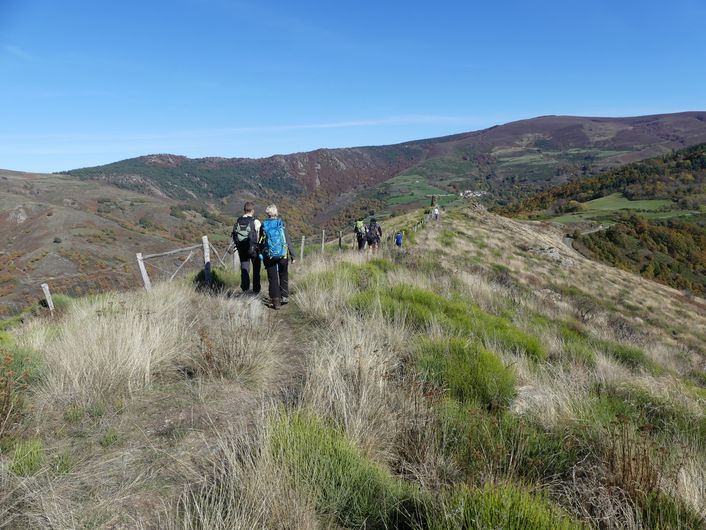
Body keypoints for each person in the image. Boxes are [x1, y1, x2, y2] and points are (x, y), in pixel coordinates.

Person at [258, 204, 295, 309]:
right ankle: (284, 296)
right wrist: (293, 255)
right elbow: (287, 240)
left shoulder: (264, 225)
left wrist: (261, 253)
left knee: (273, 278)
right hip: (283, 255)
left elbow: (261, 242)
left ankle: (276, 301)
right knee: (283, 274)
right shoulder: (281, 224)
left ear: (267, 214)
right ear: (276, 213)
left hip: (269, 256)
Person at [232, 202, 261, 294]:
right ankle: (256, 290)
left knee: (244, 269)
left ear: (244, 210)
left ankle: (245, 289)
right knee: (256, 269)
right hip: (254, 249)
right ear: (252, 211)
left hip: (242, 249)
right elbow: (260, 236)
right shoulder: (255, 221)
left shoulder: (238, 220)